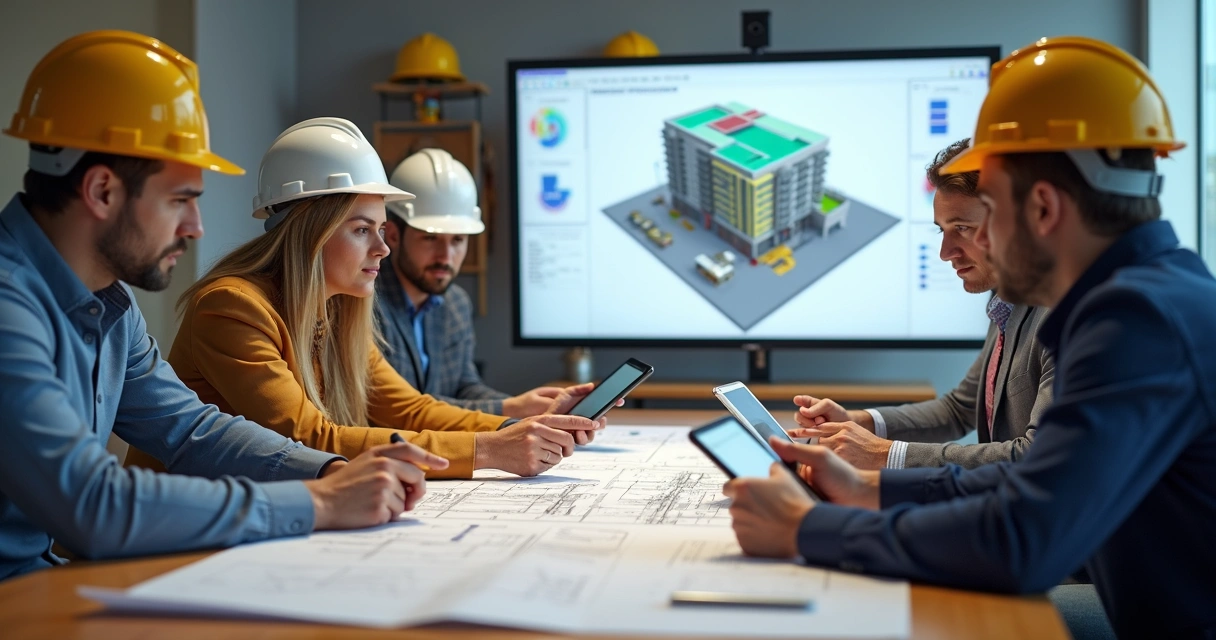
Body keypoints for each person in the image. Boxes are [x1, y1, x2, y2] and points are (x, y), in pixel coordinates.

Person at [722, 36, 1216, 638]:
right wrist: (866, 489)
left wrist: (807, 529)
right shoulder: (1150, 296)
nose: (979, 243)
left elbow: (1022, 538)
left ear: (1041, 208)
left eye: (988, 213)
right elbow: (1035, 483)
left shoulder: (1134, 320)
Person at [0, 31, 445, 580]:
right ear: (101, 191)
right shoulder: (8, 305)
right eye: (180, 200)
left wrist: (330, 471)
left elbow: (192, 431)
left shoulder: (111, 307)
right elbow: (93, 506)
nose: (197, 228)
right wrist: (320, 503)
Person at [124, 119, 601, 480]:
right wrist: (490, 449)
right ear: (310, 233)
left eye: (381, 229)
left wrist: (525, 425)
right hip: (172, 538)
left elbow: (409, 409)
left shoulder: (333, 309)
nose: (383, 248)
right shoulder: (231, 307)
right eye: (361, 231)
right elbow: (309, 439)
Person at [792, 139, 1053, 470]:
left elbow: (1035, 456)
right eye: (943, 230)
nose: (946, 252)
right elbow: (958, 409)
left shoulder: (1063, 316)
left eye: (963, 228)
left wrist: (884, 454)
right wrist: (858, 421)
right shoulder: (1006, 299)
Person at [375, 148, 562, 418]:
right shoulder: (365, 303)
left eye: (458, 240)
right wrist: (509, 408)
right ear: (392, 236)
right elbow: (397, 407)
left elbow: (465, 387)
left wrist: (525, 407)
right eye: (430, 238)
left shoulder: (455, 303)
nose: (446, 257)